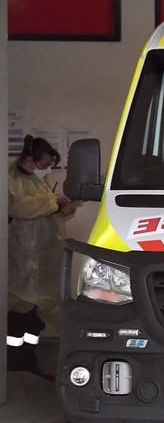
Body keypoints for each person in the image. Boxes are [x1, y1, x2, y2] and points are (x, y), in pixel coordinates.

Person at [7, 135, 74, 379]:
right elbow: (20, 208)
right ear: (29, 159)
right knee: (20, 315)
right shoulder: (12, 181)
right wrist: (52, 200)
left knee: (35, 317)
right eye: (44, 164)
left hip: (42, 257)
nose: (47, 169)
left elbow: (52, 213)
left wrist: (65, 204)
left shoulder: (39, 183)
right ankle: (15, 361)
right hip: (24, 259)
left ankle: (28, 358)